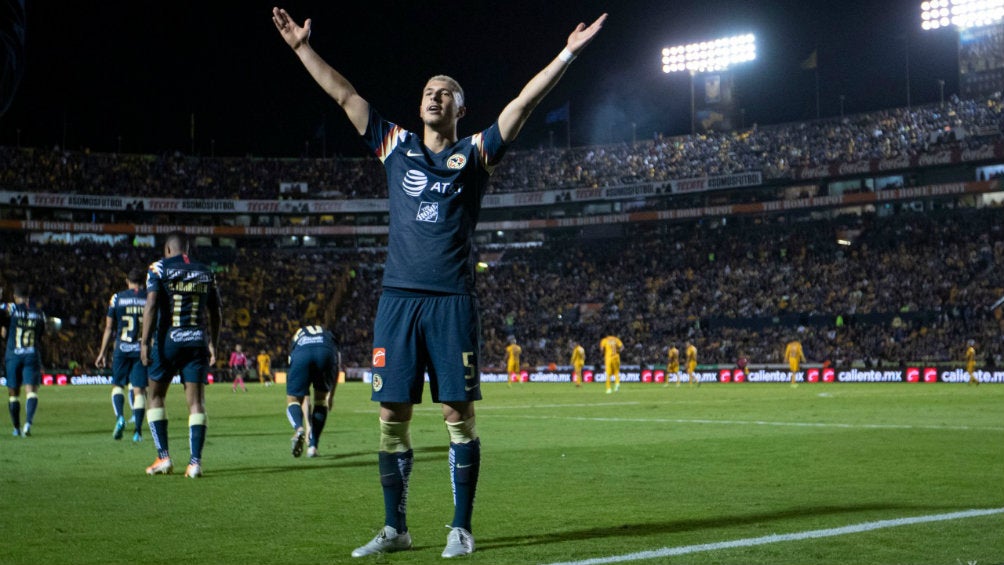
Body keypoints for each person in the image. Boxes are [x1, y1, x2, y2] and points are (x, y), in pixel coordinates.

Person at [272, 6, 605, 559]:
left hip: (451, 302)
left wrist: (568, 52)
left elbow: (524, 103)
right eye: (429, 91)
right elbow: (344, 95)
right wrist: (302, 48)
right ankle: (395, 528)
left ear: (460, 108)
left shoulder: (474, 154)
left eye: (446, 92)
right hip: (397, 302)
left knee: (457, 415)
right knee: (390, 418)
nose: (434, 97)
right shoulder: (394, 145)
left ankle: (460, 528)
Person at [140, 231, 222, 479]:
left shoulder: (158, 268)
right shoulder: (206, 271)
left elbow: (152, 305)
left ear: (167, 249)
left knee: (155, 396)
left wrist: (144, 342)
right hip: (197, 341)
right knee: (196, 403)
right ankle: (195, 462)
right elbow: (217, 312)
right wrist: (213, 344)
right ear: (187, 249)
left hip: (168, 342)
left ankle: (163, 457)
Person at [94, 268, 148, 442]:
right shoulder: (149, 297)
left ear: (127, 281)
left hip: (121, 349)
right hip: (141, 350)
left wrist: (102, 353)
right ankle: (138, 432)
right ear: (144, 281)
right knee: (139, 391)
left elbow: (109, 328)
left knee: (118, 386)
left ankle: (120, 417)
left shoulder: (117, 298)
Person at [285, 324, 340, 458]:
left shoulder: (298, 335)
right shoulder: (328, 335)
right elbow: (337, 366)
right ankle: (313, 447)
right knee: (321, 401)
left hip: (302, 354)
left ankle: (299, 429)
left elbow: (304, 395)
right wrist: (331, 396)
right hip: (326, 353)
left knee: (293, 399)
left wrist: (305, 425)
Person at [2, 285, 46, 437]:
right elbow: (40, 336)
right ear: (28, 297)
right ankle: (28, 424)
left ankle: (16, 428)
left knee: (13, 394)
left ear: (15, 297)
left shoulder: (12, 308)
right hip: (31, 354)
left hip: (13, 355)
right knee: (31, 392)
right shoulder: (39, 313)